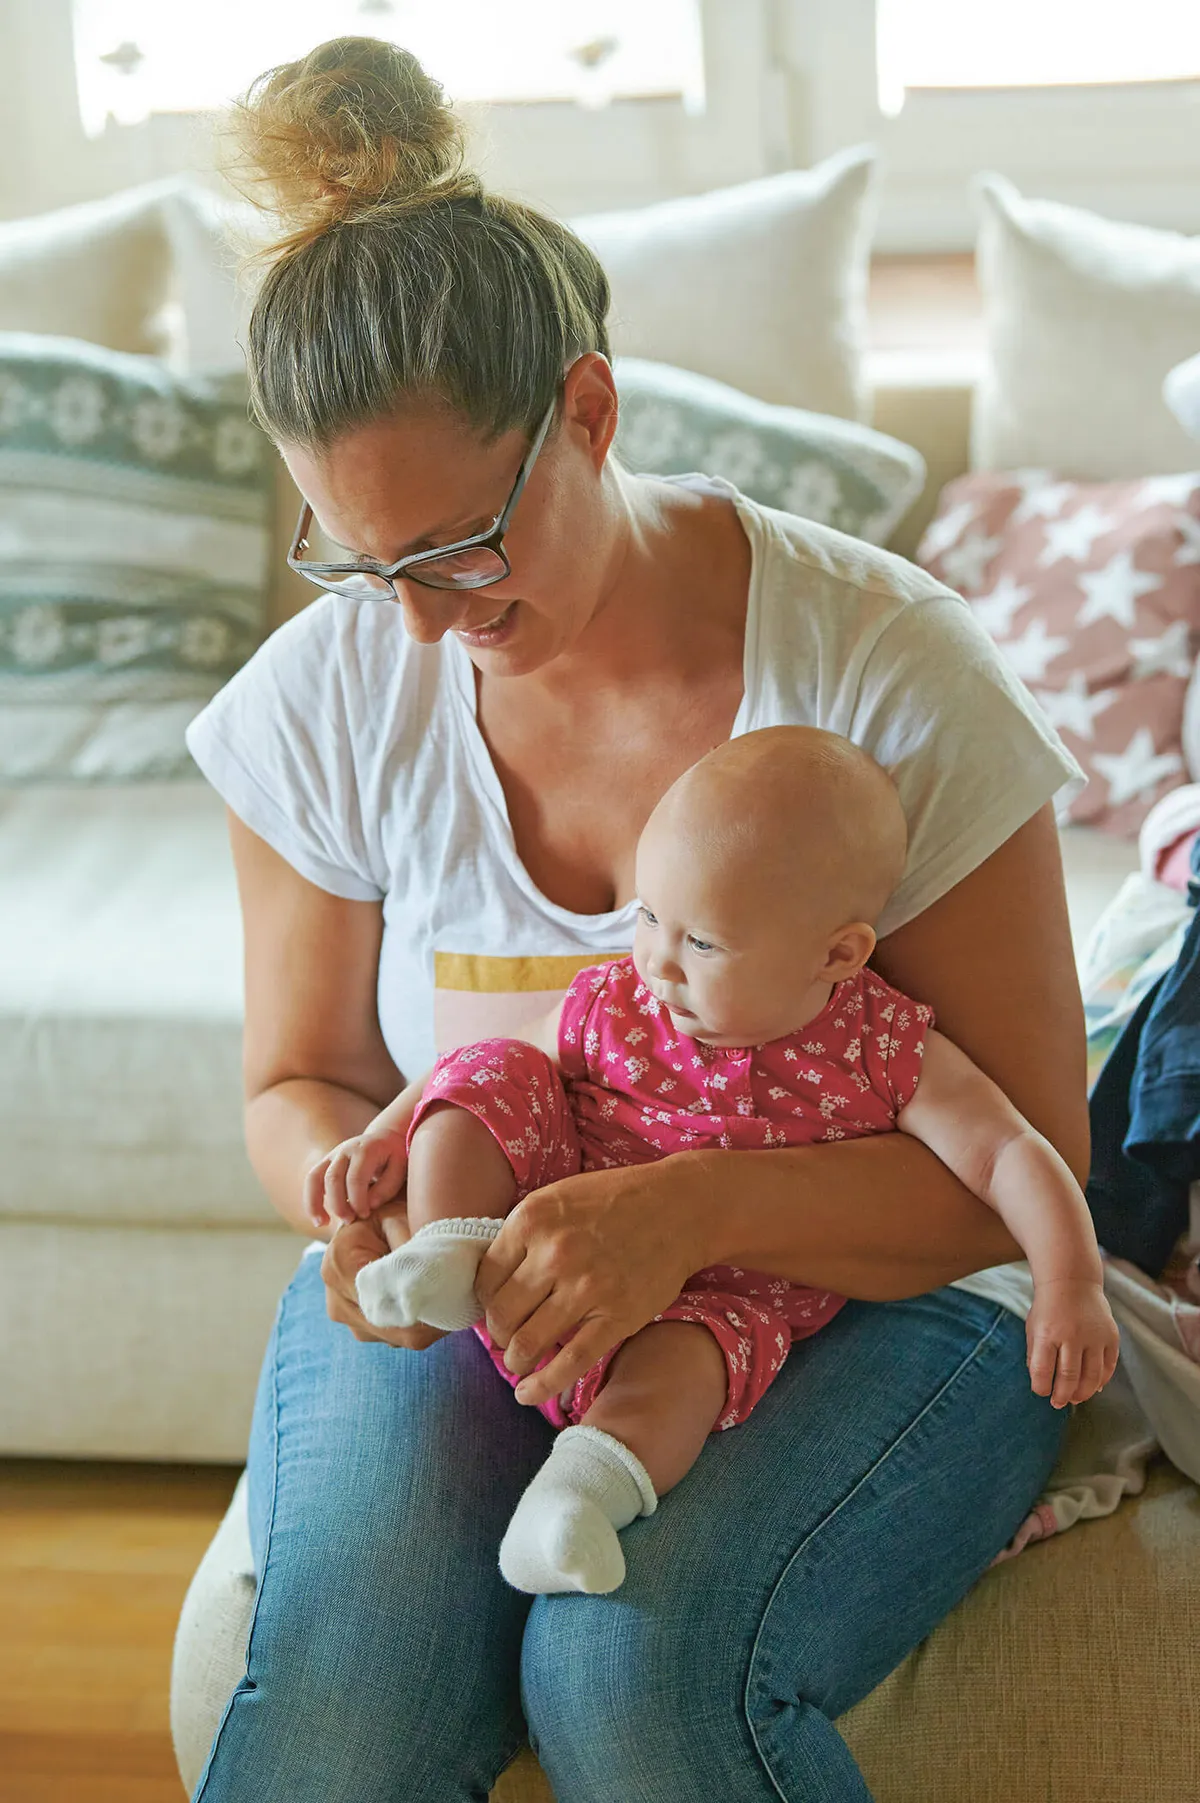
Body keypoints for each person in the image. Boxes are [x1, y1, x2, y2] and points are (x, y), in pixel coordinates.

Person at [183, 34, 1091, 1803]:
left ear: (588, 413)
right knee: (346, 1696)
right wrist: (349, 1192)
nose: (424, 623)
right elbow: (296, 1074)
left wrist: (685, 1210)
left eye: (457, 547)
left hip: (873, 1297)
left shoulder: (889, 673)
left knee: (633, 1669)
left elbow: (1025, 1152)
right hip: (492, 1277)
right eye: (361, 564)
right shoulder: (333, 691)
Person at [317, 728, 1117, 1598]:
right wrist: (388, 1136)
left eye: (703, 944)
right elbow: (471, 1071)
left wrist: (1069, 1282)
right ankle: (449, 1254)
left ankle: (579, 1496)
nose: (658, 962)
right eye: (650, 917)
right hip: (535, 1242)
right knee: (493, 1076)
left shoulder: (880, 1043)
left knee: (688, 1366)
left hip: (720, 1290)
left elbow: (1012, 1153)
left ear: (837, 954)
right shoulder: (623, 997)